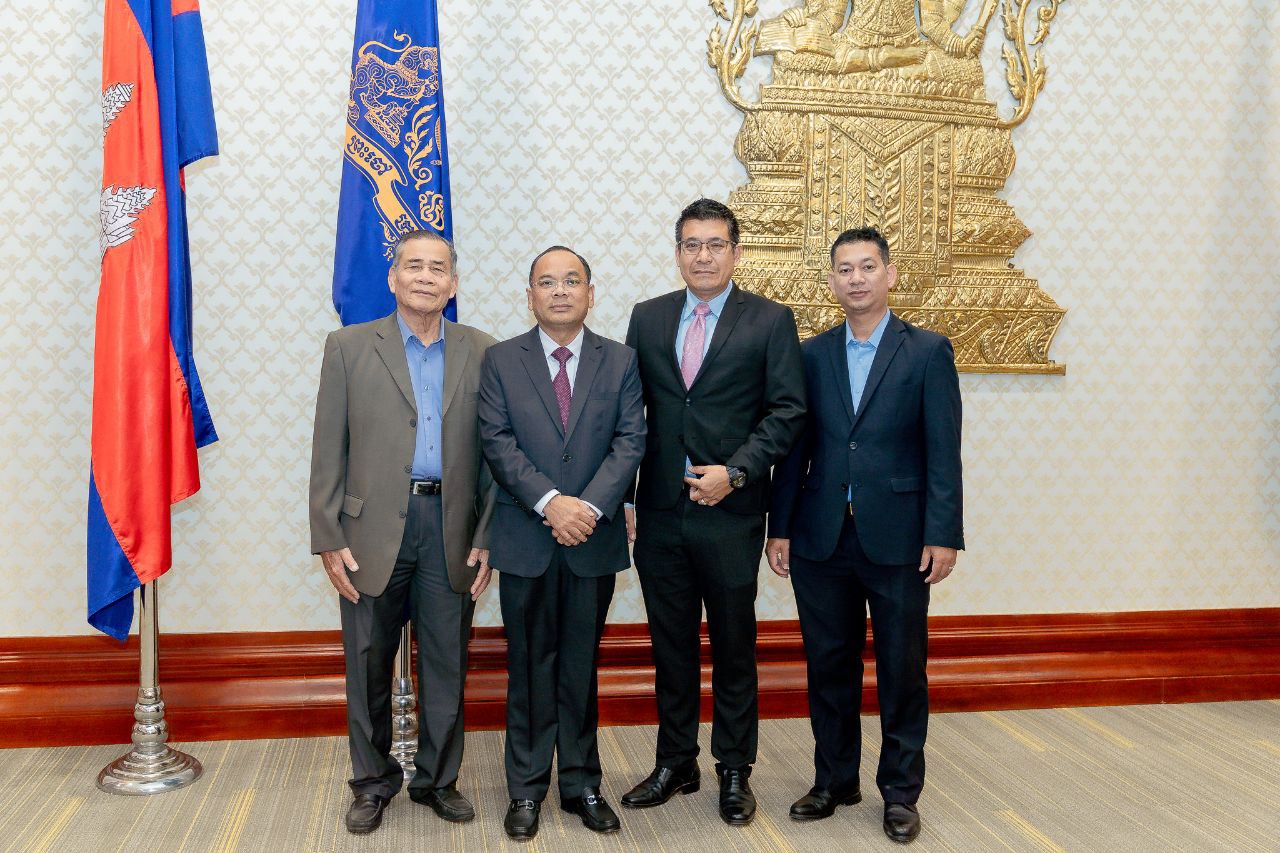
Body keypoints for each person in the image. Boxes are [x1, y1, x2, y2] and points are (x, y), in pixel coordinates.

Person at [766, 226, 963, 843]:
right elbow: (793, 451)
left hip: (899, 538)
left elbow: (943, 450)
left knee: (902, 669)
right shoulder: (810, 355)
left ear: (889, 274)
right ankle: (834, 780)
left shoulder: (927, 351)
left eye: (867, 266)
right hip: (821, 536)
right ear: (831, 280)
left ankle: (900, 793)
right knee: (829, 665)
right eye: (845, 269)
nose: (856, 278)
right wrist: (780, 527)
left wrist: (943, 533)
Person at [620, 199, 806, 825]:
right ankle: (676, 761)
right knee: (670, 645)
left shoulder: (770, 320)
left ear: (736, 252)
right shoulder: (648, 318)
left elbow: (787, 412)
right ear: (678, 253)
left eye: (716, 244)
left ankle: (733, 769)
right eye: (692, 245)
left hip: (731, 511)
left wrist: (738, 472)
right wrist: (626, 496)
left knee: (732, 646)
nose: (703, 256)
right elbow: (630, 415)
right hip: (660, 512)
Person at [309, 230, 498, 835]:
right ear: (393, 278)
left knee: (446, 663)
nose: (425, 277)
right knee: (368, 662)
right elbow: (328, 446)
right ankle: (372, 782)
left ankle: (438, 780)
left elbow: (497, 455)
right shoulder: (348, 347)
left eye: (438, 268)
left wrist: (488, 533)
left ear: (453, 283)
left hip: (452, 527)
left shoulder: (484, 351)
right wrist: (327, 534)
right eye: (413, 266)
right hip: (368, 531)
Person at [478, 246, 646, 840]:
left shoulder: (620, 360)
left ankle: (581, 784)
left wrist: (589, 508)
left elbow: (630, 440)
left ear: (590, 293)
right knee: (528, 666)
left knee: (580, 665)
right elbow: (496, 441)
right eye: (546, 282)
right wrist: (551, 502)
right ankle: (525, 788)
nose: (559, 291)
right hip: (527, 537)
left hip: (592, 539)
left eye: (571, 281)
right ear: (530, 295)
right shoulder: (501, 360)